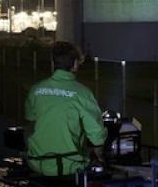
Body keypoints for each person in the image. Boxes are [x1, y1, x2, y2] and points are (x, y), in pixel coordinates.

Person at [24, 41, 106, 180]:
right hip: (70, 166)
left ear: (54, 62)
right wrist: (99, 155)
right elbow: (97, 134)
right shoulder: (82, 93)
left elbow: (30, 124)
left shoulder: (36, 90)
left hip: (37, 163)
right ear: (74, 64)